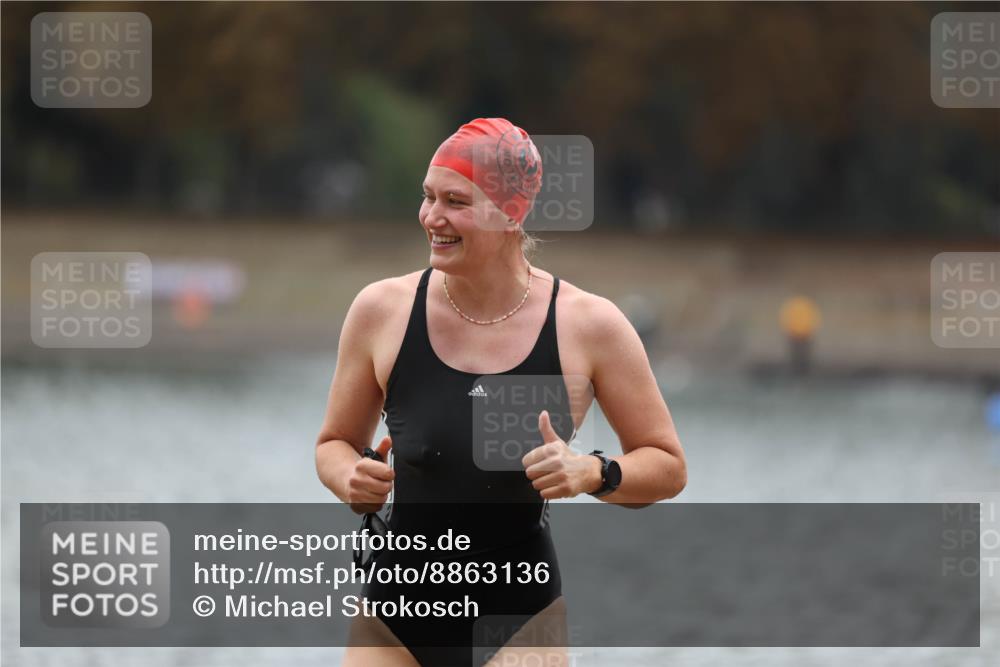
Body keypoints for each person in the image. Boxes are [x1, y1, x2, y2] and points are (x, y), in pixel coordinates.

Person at [315, 118, 687, 667]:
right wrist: (350, 478)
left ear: (512, 213)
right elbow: (334, 443)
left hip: (519, 619)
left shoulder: (589, 325)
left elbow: (668, 466)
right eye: (428, 196)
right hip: (394, 618)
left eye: (456, 201)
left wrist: (594, 472)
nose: (432, 217)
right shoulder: (381, 310)